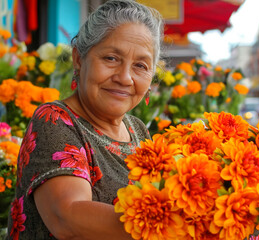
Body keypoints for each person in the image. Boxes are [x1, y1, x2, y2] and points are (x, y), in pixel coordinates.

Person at [6, 0, 163, 239]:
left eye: (140, 65)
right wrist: (167, 225)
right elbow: (67, 217)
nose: (125, 77)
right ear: (79, 59)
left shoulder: (138, 131)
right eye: (111, 58)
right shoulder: (55, 120)